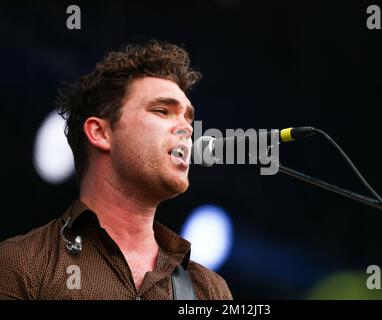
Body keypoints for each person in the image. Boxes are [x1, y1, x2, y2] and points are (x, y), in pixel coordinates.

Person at [0, 41, 233, 300]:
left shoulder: (208, 290)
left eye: (188, 118)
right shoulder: (20, 264)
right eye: (162, 111)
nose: (187, 129)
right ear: (101, 133)